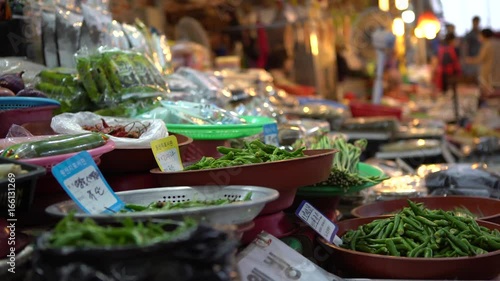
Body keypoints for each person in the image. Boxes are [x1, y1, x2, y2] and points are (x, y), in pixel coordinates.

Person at [466, 28, 495, 101]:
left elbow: (480, 59)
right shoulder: (490, 44)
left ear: (484, 35)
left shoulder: (487, 45)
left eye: (480, 35)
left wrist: (470, 60)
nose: (479, 37)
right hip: (489, 69)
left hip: (486, 69)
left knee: (486, 89)